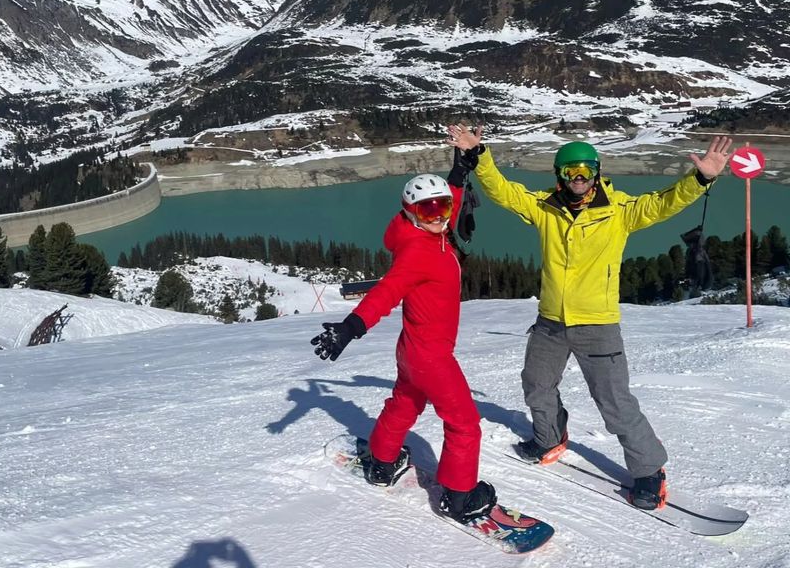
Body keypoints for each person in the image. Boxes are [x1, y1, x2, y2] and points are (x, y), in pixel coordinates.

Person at [446, 124, 732, 511]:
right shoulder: (545, 207)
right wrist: (480, 156)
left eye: (585, 170)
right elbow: (504, 192)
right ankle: (549, 437)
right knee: (536, 384)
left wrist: (700, 179)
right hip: (551, 321)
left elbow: (664, 203)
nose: (578, 178)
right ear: (559, 175)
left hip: (597, 323)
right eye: (570, 171)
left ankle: (649, 470)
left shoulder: (619, 211)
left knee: (614, 402)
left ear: (596, 173)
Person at [311, 162, 497, 524]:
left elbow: (445, 205)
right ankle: (460, 497)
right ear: (411, 212)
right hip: (432, 357)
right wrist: (351, 327)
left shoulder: (425, 231)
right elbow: (386, 292)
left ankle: (383, 462)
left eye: (443, 207)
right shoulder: (418, 252)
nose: (439, 216)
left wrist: (458, 173)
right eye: (428, 210)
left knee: (405, 403)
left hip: (411, 351)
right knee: (464, 423)